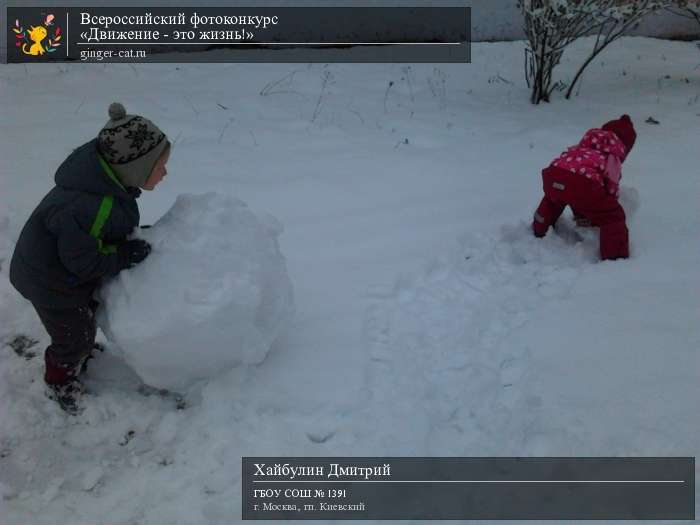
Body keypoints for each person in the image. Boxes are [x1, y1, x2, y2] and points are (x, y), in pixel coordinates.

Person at [9, 102, 170, 414]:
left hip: (62, 269)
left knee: (86, 317)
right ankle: (60, 378)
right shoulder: (88, 205)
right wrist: (124, 254)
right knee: (76, 335)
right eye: (160, 166)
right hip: (49, 282)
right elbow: (84, 262)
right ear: (135, 168)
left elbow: (96, 237)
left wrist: (125, 241)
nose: (165, 173)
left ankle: (77, 347)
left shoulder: (106, 187)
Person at [532, 114, 636, 260]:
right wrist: (608, 203)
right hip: (581, 184)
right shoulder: (612, 156)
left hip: (553, 174)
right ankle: (615, 257)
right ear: (625, 146)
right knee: (613, 216)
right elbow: (610, 186)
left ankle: (539, 227)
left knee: (553, 200)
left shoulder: (583, 146)